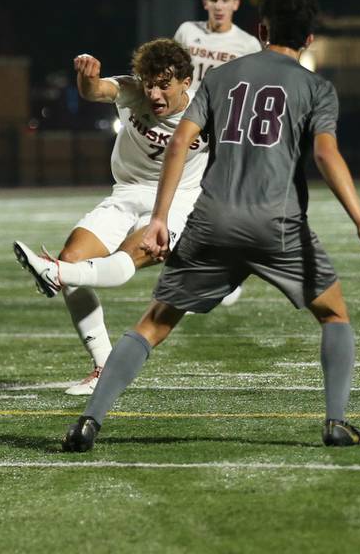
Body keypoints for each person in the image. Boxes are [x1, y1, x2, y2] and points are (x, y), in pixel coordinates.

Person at [61, 0, 360, 452]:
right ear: (310, 39)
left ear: (261, 29)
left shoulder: (221, 76)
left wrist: (157, 219)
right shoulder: (316, 87)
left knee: (153, 323)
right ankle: (336, 423)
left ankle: (90, 422)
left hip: (210, 220)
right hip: (277, 224)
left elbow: (178, 142)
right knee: (334, 315)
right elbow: (327, 156)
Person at [16, 39, 242, 396]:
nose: (154, 93)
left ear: (186, 81)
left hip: (179, 202)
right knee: (74, 259)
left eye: (164, 84)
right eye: (149, 82)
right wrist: (86, 75)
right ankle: (103, 365)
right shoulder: (134, 91)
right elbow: (96, 90)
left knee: (127, 257)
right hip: (126, 194)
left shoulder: (207, 108)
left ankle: (54, 273)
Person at [174, 0, 261, 91]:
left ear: (236, 4)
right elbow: (172, 73)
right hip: (187, 108)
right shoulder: (187, 31)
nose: (218, 7)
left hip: (223, 109)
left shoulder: (249, 44)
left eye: (225, 0)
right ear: (205, 2)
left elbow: (254, 87)